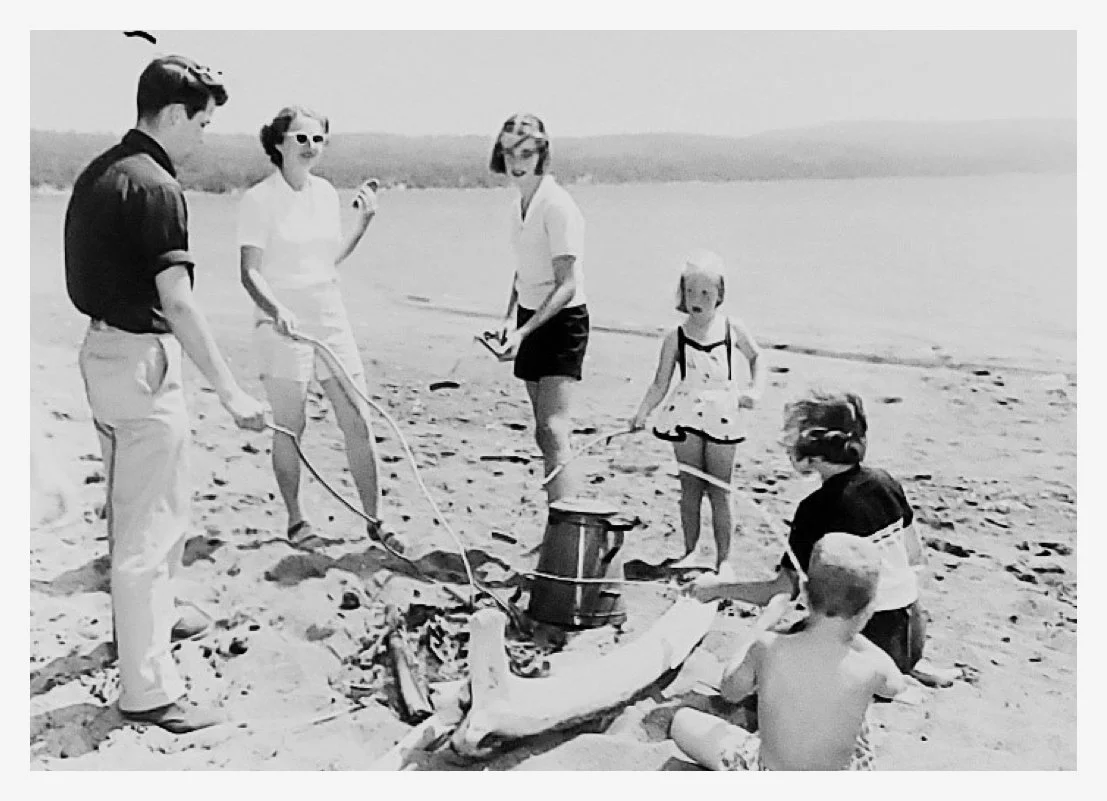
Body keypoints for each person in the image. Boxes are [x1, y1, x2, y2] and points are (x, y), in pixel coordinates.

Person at [64, 55, 268, 733]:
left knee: (139, 508)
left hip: (101, 353)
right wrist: (232, 391)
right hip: (140, 360)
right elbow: (178, 302)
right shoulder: (158, 187)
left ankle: (153, 618)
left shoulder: (103, 171)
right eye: (203, 122)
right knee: (148, 527)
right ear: (176, 115)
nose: (206, 135)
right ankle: (148, 691)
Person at [688, 390, 956, 686]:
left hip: (868, 640)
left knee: (772, 653)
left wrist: (716, 590)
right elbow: (915, 556)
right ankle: (906, 667)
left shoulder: (815, 510)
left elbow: (779, 593)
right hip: (912, 634)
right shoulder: (885, 481)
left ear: (811, 455)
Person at [237, 106, 402, 552]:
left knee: (357, 418)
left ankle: (375, 520)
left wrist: (363, 223)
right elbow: (249, 272)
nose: (310, 147)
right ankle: (296, 520)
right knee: (292, 425)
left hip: (329, 315)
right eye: (301, 138)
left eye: (318, 140)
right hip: (279, 322)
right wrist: (276, 309)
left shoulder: (326, 193)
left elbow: (326, 261)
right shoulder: (259, 199)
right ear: (278, 143)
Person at [672, 533, 906, 770]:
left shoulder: (767, 647)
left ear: (804, 592)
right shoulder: (870, 667)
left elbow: (730, 690)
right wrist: (852, 635)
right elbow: (895, 685)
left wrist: (759, 629)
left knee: (683, 722)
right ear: (870, 609)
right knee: (858, 721)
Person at [630, 250, 765, 572]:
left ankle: (724, 559)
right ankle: (690, 551)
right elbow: (660, 382)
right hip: (685, 414)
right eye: (690, 291)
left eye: (705, 292)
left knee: (720, 488)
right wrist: (642, 413)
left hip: (724, 413)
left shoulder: (733, 328)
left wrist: (754, 390)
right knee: (690, 486)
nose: (697, 299)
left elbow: (757, 358)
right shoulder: (675, 336)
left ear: (720, 294)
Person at [489, 113, 589, 503]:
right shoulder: (519, 204)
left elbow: (567, 284)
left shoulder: (557, 205)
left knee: (554, 429)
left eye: (526, 153)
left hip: (563, 321)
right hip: (530, 317)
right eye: (509, 152)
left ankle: (567, 520)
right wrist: (508, 320)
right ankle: (559, 515)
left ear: (541, 154)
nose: (517, 162)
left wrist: (523, 332)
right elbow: (524, 271)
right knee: (543, 432)